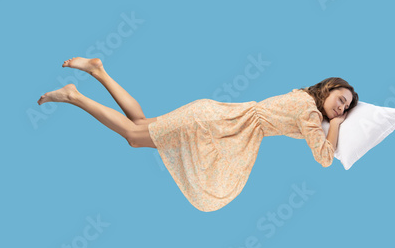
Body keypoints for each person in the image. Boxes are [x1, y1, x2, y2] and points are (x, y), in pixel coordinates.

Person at [37, 57, 358, 212]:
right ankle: (75, 96)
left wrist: (335, 122)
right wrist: (338, 128)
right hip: (216, 126)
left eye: (345, 108)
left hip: (218, 119)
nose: (340, 110)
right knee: (135, 136)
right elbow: (324, 158)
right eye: (340, 100)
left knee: (142, 123)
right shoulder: (310, 113)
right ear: (328, 89)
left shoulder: (301, 96)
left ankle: (99, 71)